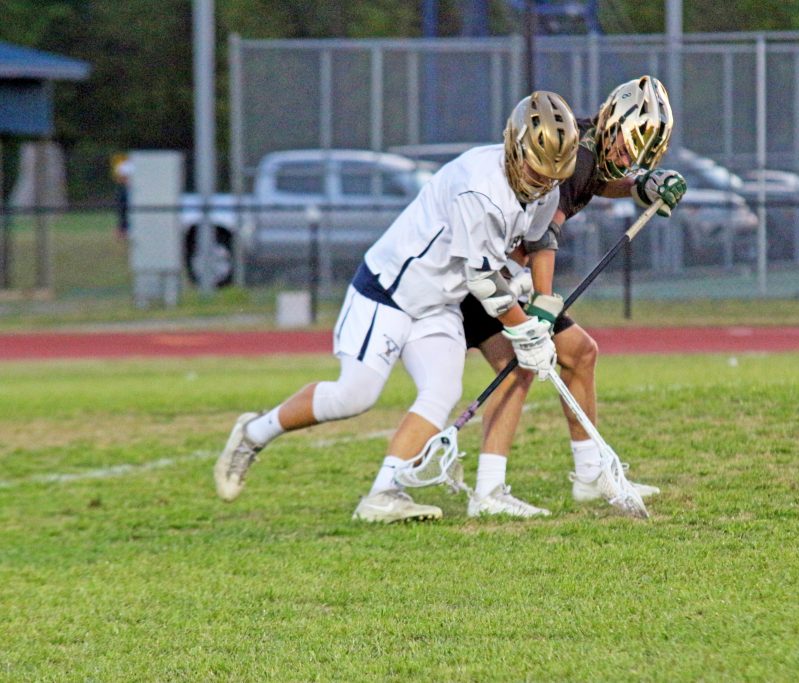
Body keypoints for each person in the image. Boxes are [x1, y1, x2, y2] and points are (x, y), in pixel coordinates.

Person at [214, 90, 580, 523]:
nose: (542, 183)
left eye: (552, 176)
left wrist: (541, 303)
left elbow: (537, 241)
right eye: (537, 170)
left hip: (439, 303)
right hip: (389, 292)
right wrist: (524, 330)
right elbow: (482, 279)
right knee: (354, 395)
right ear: (514, 146)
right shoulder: (479, 186)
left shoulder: (544, 188)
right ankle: (254, 432)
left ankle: (383, 493)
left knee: (442, 391)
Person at [460, 76, 687, 517]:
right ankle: (487, 490)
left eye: (639, 158)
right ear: (612, 125)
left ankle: (588, 475)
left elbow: (602, 181)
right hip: (493, 275)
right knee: (514, 368)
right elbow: (542, 235)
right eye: (627, 150)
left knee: (579, 353)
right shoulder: (577, 157)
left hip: (507, 271)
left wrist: (642, 187)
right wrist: (542, 304)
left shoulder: (589, 144)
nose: (629, 162)